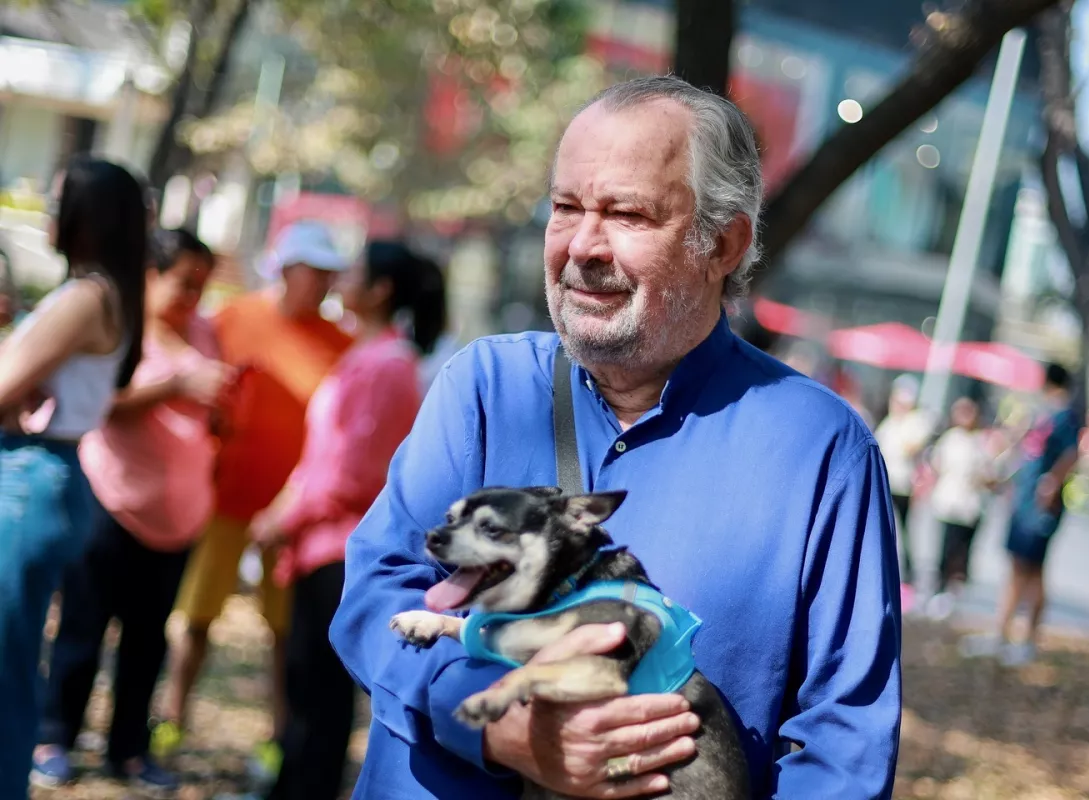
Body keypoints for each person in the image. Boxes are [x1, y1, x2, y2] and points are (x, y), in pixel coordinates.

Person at [330, 75, 901, 800]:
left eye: (627, 214)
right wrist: (500, 728)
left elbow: (843, 744)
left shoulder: (822, 451)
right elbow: (376, 597)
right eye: (566, 207)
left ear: (723, 244)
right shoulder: (484, 386)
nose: (583, 246)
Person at [238, 241, 445, 800]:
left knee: (321, 697)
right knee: (305, 686)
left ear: (379, 291)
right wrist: (282, 513)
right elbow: (321, 460)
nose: (339, 280)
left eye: (353, 271)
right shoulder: (368, 356)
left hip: (340, 550)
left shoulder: (387, 365)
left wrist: (282, 520)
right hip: (316, 544)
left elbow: (352, 473)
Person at [31, 228, 230, 792]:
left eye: (202, 285)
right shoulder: (120, 330)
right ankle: (54, 735)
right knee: (81, 630)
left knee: (147, 639)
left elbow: (208, 413)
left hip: (181, 518)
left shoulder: (205, 334)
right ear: (151, 274)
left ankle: (129, 749)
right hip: (112, 504)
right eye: (184, 283)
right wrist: (174, 385)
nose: (193, 296)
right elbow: (100, 405)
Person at [155, 221, 353, 773]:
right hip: (225, 497)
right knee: (195, 613)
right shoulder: (233, 317)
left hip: (293, 516)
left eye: (329, 273)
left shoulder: (344, 344)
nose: (322, 283)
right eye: (313, 271)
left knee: (284, 631)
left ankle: (279, 734)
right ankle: (170, 717)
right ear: (286, 270)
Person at [0, 156, 146, 799]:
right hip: (49, 475)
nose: (48, 210)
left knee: (5, 667)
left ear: (90, 215)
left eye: (58, 198)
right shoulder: (109, 292)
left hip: (29, 479)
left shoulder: (87, 295)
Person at [963, 363, 1081, 666]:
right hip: (1024, 502)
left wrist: (1051, 485)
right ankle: (1002, 634)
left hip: (1040, 507)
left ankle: (1027, 640)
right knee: (1018, 568)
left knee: (1032, 571)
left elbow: (1071, 454)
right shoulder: (1044, 414)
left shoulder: (1064, 416)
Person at [925, 397, 995, 620]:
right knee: (945, 548)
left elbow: (989, 475)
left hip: (970, 507)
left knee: (963, 551)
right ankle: (939, 588)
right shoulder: (950, 439)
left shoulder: (981, 442)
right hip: (948, 503)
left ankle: (954, 589)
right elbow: (937, 465)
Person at [875, 373, 932, 584]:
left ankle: (906, 573)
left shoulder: (915, 422)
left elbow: (911, 448)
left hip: (903, 485)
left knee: (904, 532)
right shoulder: (889, 422)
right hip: (885, 481)